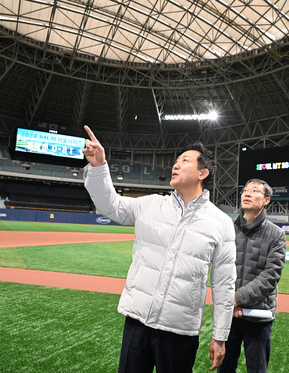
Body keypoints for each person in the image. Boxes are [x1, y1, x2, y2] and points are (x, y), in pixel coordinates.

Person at [82, 125, 236, 373]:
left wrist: (220, 335)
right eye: (176, 160)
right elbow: (111, 206)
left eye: (184, 161)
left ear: (203, 173)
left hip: (180, 331)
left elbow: (224, 284)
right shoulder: (151, 204)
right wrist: (99, 167)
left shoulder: (221, 223)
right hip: (138, 322)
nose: (175, 165)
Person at [218, 179, 287, 373]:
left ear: (266, 200)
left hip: (258, 316)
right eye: (245, 190)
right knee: (224, 367)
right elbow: (219, 268)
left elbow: (271, 275)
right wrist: (230, 300)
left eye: (255, 191)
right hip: (229, 315)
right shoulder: (227, 229)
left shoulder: (276, 234)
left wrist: (237, 298)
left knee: (257, 369)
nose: (247, 193)